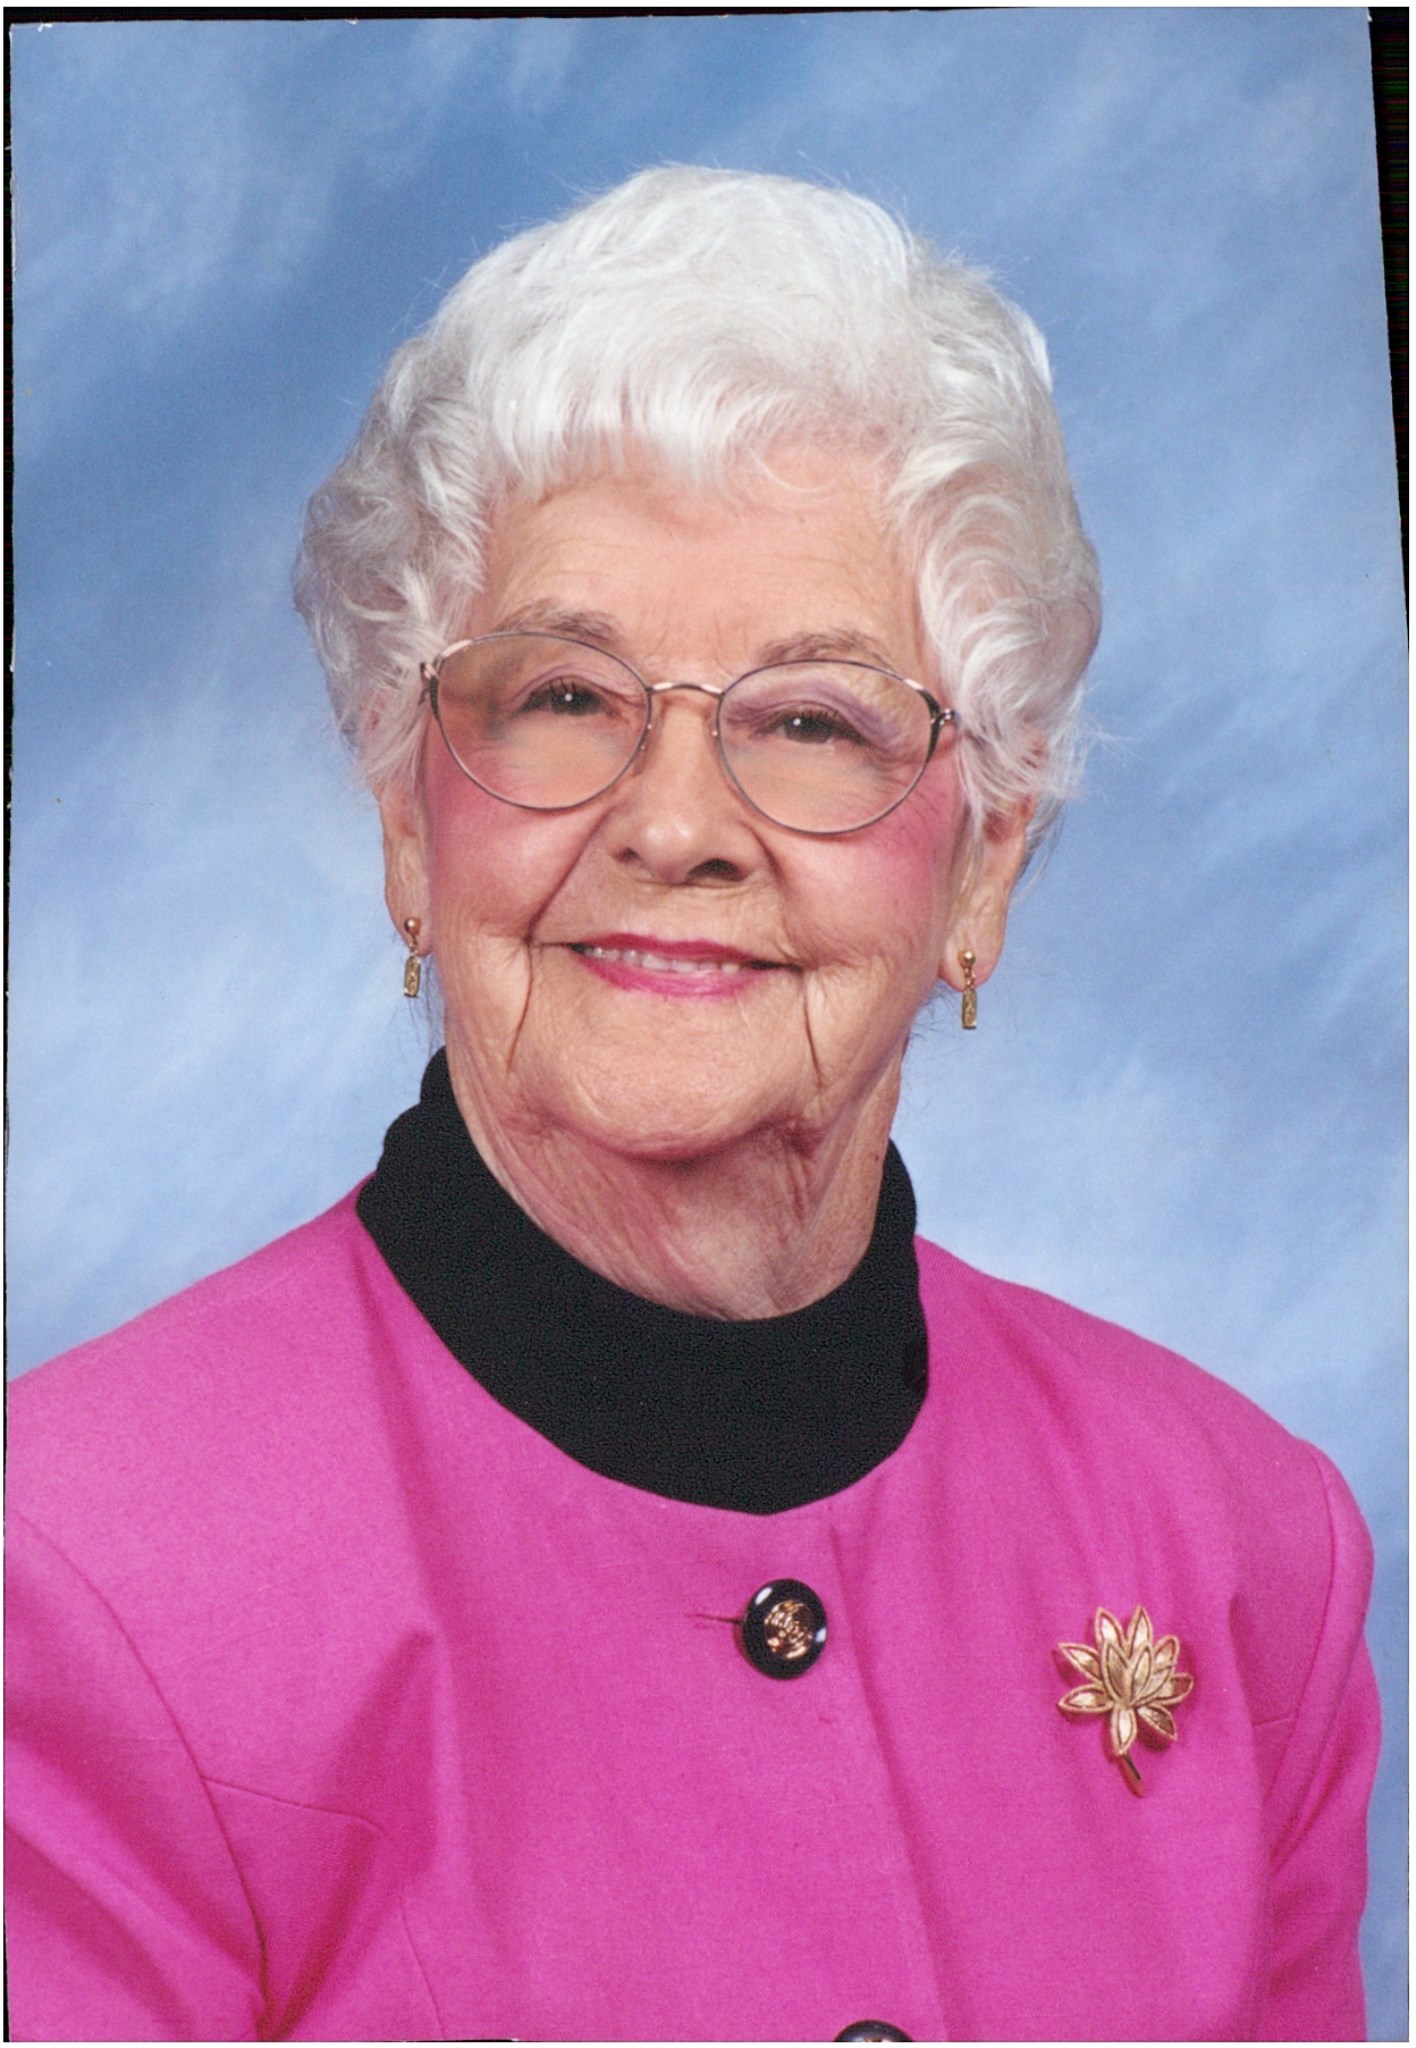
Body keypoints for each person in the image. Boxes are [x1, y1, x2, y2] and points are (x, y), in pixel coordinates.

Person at [6, 168, 1377, 2044]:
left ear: (984, 859)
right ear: (410, 817)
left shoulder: (1241, 1546)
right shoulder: (66, 1569)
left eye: (813, 720)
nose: (672, 824)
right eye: (565, 696)